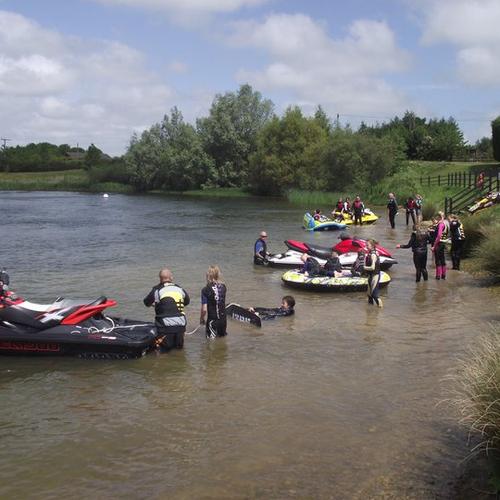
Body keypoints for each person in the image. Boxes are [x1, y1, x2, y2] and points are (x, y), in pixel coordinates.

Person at [143, 268, 190, 351]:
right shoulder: (179, 289)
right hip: (181, 326)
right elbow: (186, 302)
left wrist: (156, 305)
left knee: (164, 353)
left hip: (165, 327)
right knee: (179, 351)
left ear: (160, 279)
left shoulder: (157, 290)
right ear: (171, 278)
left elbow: (146, 302)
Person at [200, 265, 227, 339]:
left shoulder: (205, 290)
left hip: (212, 321)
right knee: (222, 341)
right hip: (223, 320)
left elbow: (204, 309)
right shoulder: (223, 287)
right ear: (218, 275)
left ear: (208, 276)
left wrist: (201, 319)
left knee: (210, 345)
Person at [431, 211, 450, 280]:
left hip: (438, 243)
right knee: (442, 259)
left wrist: (434, 245)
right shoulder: (446, 223)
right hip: (443, 243)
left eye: (437, 217)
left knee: (438, 260)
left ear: (439, 217)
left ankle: (438, 276)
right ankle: (443, 275)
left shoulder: (441, 224)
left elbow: (439, 235)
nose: (436, 218)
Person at [364, 239, 382, 307]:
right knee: (369, 295)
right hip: (370, 275)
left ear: (372, 246)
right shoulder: (370, 253)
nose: (366, 246)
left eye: (367, 245)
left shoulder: (373, 255)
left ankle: (380, 311)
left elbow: (372, 268)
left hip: (375, 275)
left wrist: (364, 268)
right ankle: (370, 313)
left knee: (375, 295)